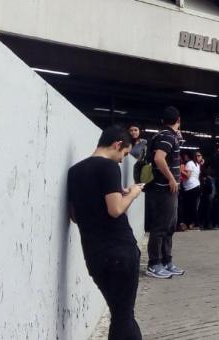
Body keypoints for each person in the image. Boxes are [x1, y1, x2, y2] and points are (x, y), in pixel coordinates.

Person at [67, 125, 144, 340]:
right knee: (124, 316)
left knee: (119, 314)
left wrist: (120, 193)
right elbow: (115, 209)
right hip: (120, 252)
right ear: (117, 145)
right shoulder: (109, 167)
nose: (122, 160)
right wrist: (134, 193)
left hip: (94, 254)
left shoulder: (74, 172)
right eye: (124, 154)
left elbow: (75, 215)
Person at [143, 106, 185, 279]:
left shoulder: (165, 135)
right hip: (163, 189)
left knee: (169, 226)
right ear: (179, 120)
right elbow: (159, 158)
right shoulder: (167, 136)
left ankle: (166, 261)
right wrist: (171, 178)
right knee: (161, 227)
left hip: (167, 189)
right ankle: (154, 264)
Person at [180, 150, 201, 230]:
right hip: (196, 185)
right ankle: (191, 223)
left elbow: (188, 176)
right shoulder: (197, 164)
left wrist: (181, 170)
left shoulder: (189, 164)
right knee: (193, 206)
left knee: (191, 207)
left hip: (190, 187)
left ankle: (195, 223)